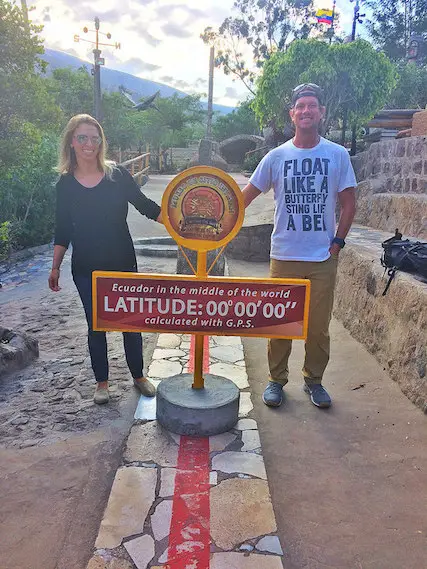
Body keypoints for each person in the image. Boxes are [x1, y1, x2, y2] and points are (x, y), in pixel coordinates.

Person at [242, 84, 356, 409]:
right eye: (300, 106)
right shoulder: (276, 157)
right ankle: (276, 380)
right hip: (284, 255)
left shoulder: (337, 155)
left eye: (312, 106)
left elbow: (349, 203)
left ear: (320, 112)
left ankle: (314, 380)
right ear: (292, 114)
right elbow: (245, 198)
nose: (306, 111)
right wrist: (216, 219)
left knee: (318, 328)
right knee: (279, 323)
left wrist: (337, 244)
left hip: (322, 258)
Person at [49, 114, 163, 405]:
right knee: (96, 323)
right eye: (82, 138)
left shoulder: (118, 175)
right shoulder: (65, 184)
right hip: (86, 267)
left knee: (131, 322)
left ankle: (138, 376)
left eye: (95, 138)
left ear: (101, 142)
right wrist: (55, 266)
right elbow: (63, 227)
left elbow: (146, 206)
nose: (90, 144)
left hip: (122, 261)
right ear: (72, 143)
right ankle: (102, 383)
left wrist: (182, 223)